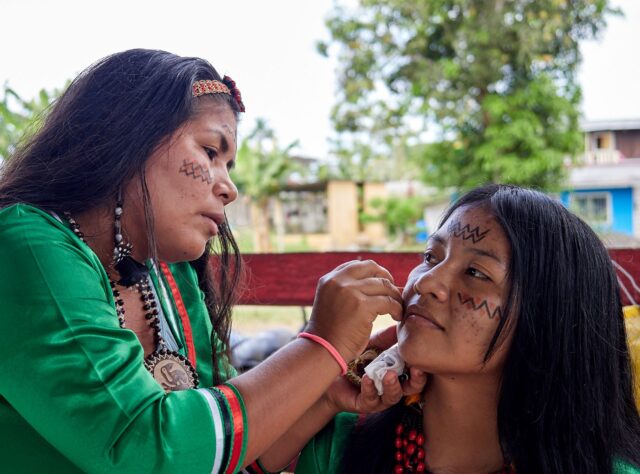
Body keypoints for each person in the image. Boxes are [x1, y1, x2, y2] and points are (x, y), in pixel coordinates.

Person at [0, 49, 404, 473]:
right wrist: (321, 345)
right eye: (211, 151)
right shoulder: (24, 245)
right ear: (130, 138)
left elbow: (235, 448)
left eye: (229, 165)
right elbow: (148, 449)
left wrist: (325, 389)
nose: (229, 187)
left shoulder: (167, 275)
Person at [266, 185, 640, 473]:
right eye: (431, 256)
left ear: (548, 321)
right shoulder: (339, 445)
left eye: (476, 273)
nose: (428, 282)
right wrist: (328, 390)